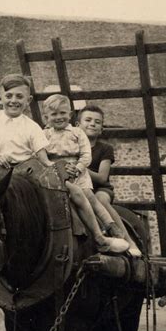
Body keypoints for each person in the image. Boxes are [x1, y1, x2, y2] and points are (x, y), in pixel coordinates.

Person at [43, 94, 129, 254]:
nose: (59, 117)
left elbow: (86, 154)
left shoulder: (77, 133)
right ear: (46, 117)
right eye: (54, 114)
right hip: (55, 173)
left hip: (77, 171)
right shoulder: (45, 134)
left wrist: (78, 168)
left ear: (69, 115)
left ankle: (109, 225)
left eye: (63, 113)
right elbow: (41, 154)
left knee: (89, 197)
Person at [77, 104, 142, 257]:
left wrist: (80, 167)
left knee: (101, 199)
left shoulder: (105, 149)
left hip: (100, 188)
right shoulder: (72, 146)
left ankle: (128, 240)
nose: (92, 123)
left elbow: (101, 177)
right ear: (77, 125)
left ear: (102, 129)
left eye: (97, 122)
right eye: (88, 120)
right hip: (80, 187)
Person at [0, 73, 53, 169]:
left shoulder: (33, 127)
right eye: (8, 96)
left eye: (19, 96)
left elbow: (45, 161)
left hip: (23, 173)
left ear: (28, 100)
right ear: (0, 99)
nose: (14, 100)